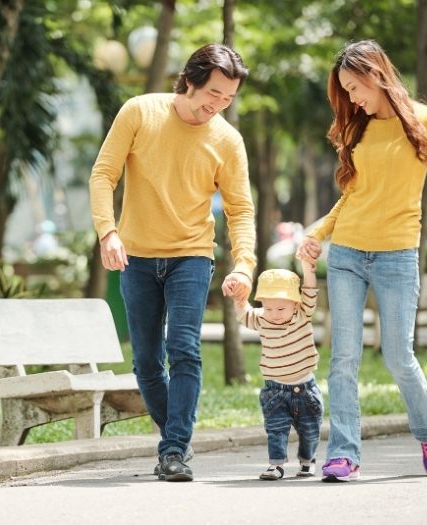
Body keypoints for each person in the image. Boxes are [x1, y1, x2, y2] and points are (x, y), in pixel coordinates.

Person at [89, 44, 256, 482]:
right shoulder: (140, 112)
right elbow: (103, 174)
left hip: (192, 256)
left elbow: (240, 208)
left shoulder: (227, 139)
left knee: (183, 348)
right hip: (137, 257)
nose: (217, 106)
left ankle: (175, 449)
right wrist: (108, 232)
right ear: (190, 79)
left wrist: (244, 264)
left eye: (227, 99)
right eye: (213, 94)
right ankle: (175, 439)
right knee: (145, 361)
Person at [296, 39, 427, 482]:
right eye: (344, 91)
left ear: (375, 74)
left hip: (397, 255)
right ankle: (344, 454)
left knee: (399, 356)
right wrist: (318, 232)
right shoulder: (356, 129)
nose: (352, 98)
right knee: (343, 359)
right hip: (346, 253)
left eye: (354, 87)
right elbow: (351, 197)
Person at [227, 263, 323, 480]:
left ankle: (308, 461)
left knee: (309, 430)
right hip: (275, 391)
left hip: (305, 390)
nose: (275, 314)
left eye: (281, 309)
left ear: (295, 304)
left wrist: (308, 269)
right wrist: (238, 298)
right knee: (275, 430)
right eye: (269, 308)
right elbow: (243, 314)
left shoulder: (302, 314)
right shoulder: (262, 319)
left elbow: (309, 290)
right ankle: (276, 465)